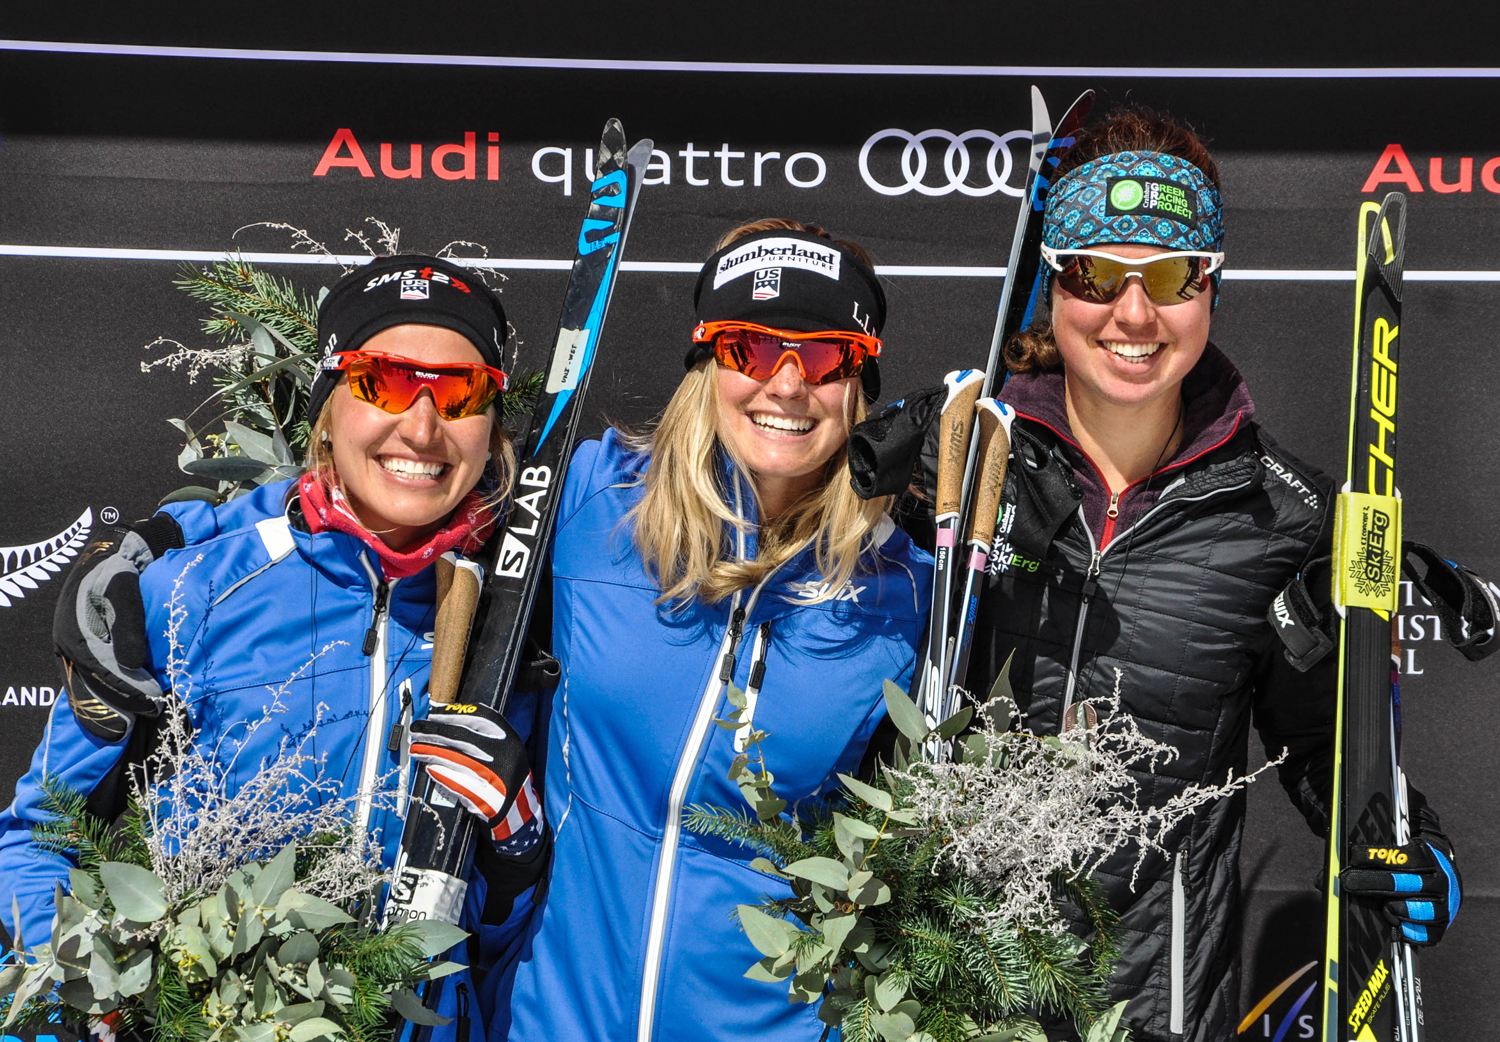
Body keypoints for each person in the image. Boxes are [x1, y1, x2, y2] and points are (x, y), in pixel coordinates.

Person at [883, 109, 1465, 1040]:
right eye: (1096, 274)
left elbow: (1332, 748)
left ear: (1211, 286)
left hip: (1152, 1010)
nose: (1134, 314)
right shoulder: (959, 459)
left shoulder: (1284, 516)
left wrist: (1410, 849)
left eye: (1168, 277)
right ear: (1053, 287)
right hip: (938, 1001)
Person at [0, 254, 544, 1039]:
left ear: (492, 422)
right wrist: (104, 992)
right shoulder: (188, 590)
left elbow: (502, 943)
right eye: (382, 380)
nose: (423, 426)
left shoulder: (516, 622)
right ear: (329, 403)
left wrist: (515, 848)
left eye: (461, 392)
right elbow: (36, 838)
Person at [476, 220, 933, 1041]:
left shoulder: (898, 592)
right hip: (556, 1017)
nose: (787, 385)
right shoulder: (590, 499)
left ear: (859, 382)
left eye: (825, 356)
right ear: (707, 363)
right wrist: (176, 539)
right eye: (751, 349)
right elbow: (396, 504)